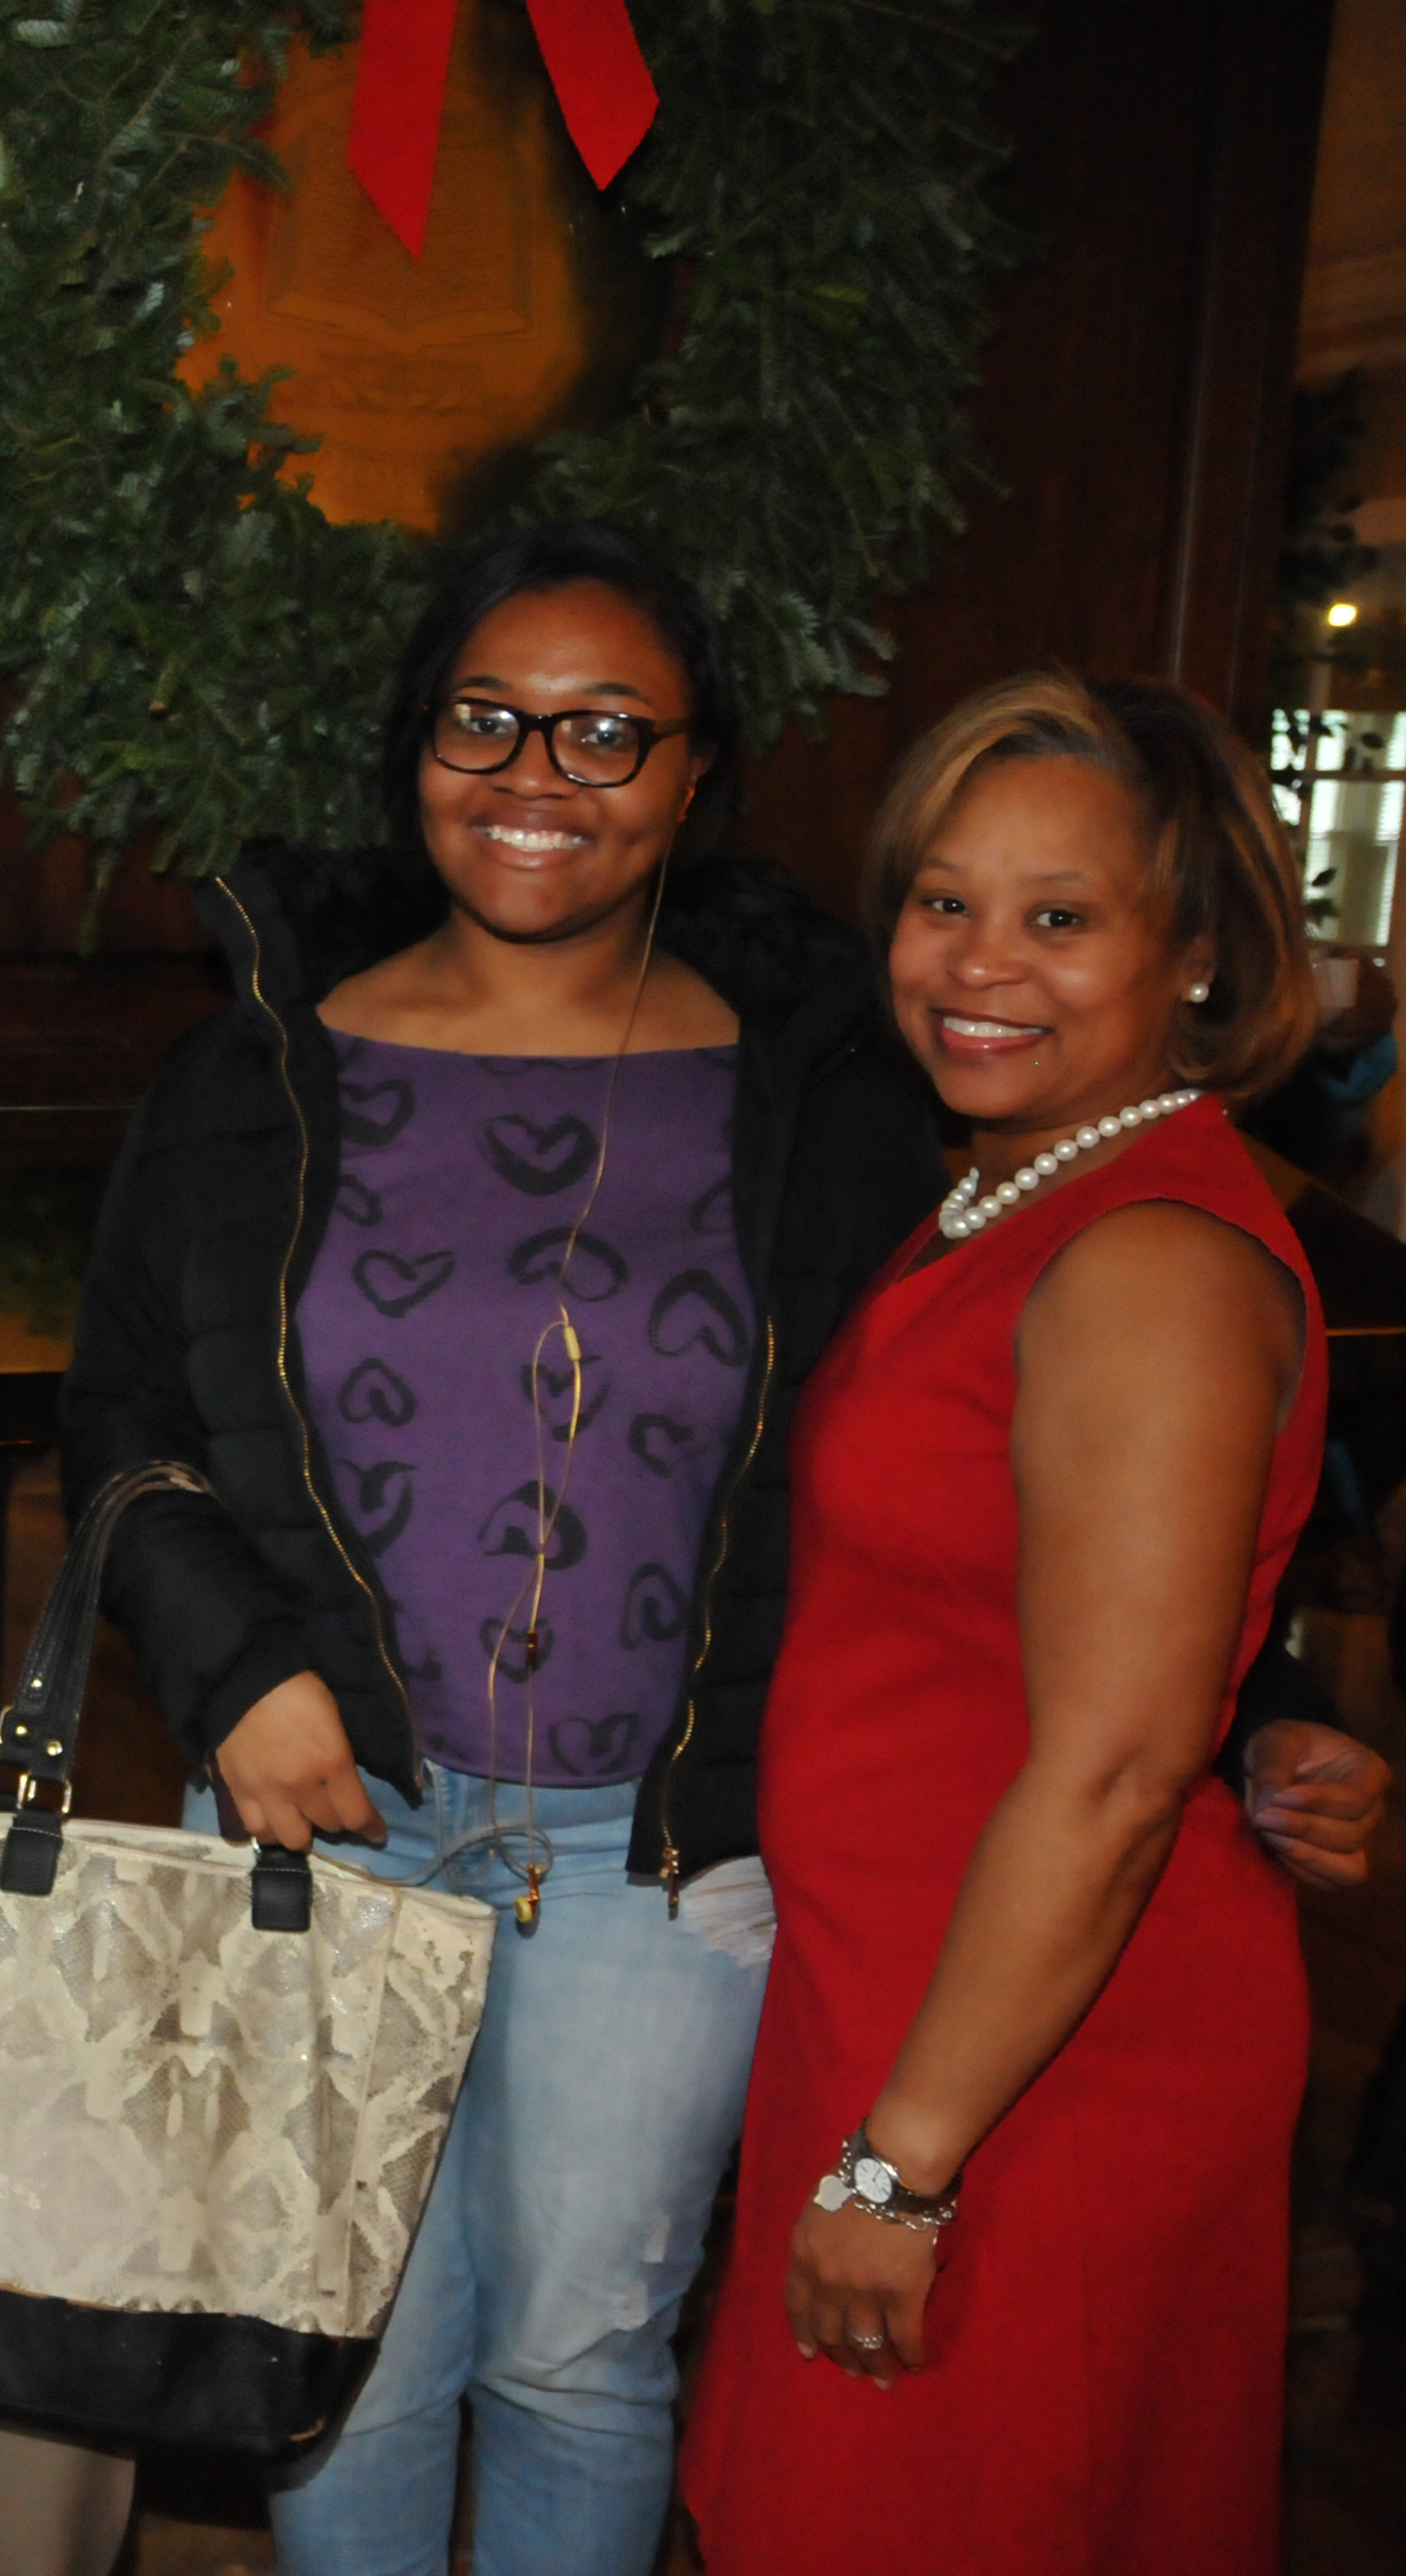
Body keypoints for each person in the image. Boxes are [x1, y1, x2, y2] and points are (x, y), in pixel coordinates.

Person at [58, 529, 1384, 2576]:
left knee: (585, 2352)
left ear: (692, 775)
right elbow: (124, 1415)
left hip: (668, 1850)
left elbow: (1063, 1499)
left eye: (605, 730)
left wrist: (1261, 1701)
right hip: (331, 1816)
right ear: (413, 746)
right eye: (482, 718)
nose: (535, 771)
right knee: (355, 2350)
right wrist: (230, 1662)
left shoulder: (835, 1091)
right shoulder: (255, 1067)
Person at [683, 675, 1336, 2572]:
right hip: (910, 2002)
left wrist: (904, 2156)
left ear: (1196, 955)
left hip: (1030, 2068)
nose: (976, 962)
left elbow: (1124, 1765)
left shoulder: (1139, 1256)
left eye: (1059, 917)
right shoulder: (1009, 1187)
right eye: (940, 899)